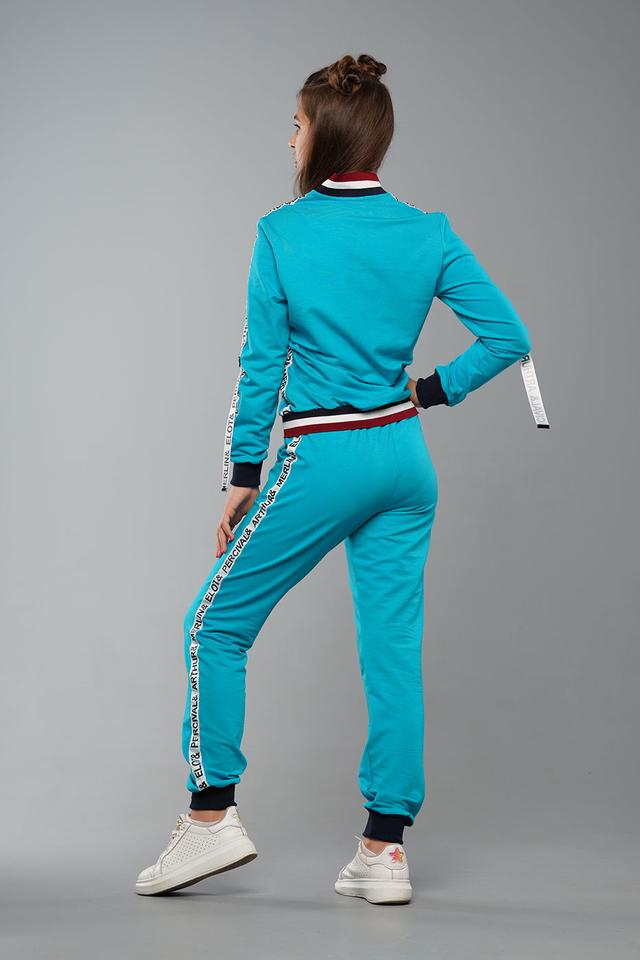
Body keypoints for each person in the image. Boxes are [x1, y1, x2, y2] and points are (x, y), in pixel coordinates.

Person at [135, 52, 531, 904]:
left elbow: (261, 364)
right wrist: (429, 391)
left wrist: (243, 473)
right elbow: (509, 336)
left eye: (296, 124)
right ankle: (384, 852)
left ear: (324, 136)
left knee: (213, 626)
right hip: (405, 462)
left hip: (325, 457)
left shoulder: (282, 232)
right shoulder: (428, 230)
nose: (289, 138)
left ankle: (211, 816)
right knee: (393, 654)